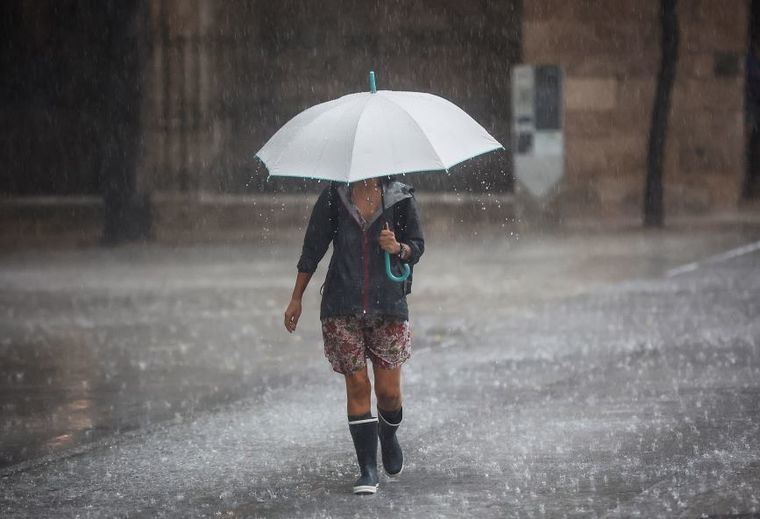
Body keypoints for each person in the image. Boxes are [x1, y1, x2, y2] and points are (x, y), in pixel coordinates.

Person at [283, 176, 424, 495]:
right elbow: (312, 247)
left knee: (388, 393)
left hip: (387, 304)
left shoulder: (400, 197)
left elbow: (417, 245)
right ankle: (367, 469)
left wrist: (398, 247)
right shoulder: (335, 197)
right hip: (341, 304)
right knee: (358, 384)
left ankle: (387, 437)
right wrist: (296, 297)